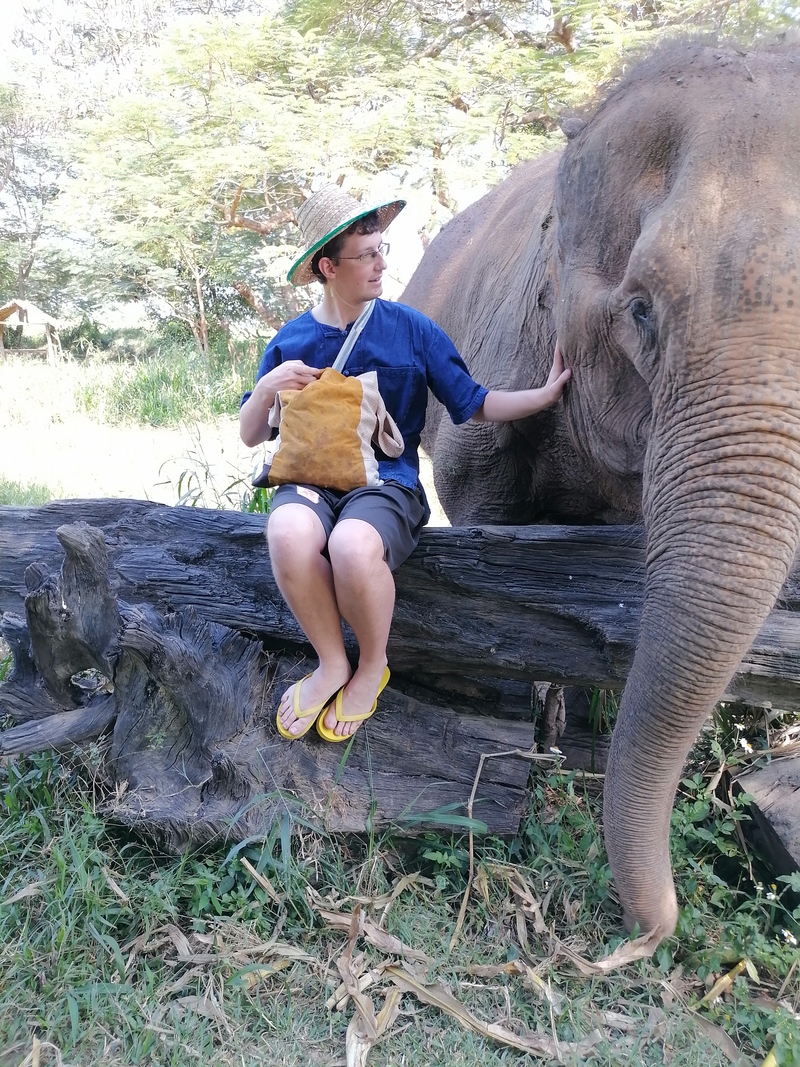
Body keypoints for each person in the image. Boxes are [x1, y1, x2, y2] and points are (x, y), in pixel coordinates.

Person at [240, 184, 570, 743]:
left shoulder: (411, 329)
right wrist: (268, 386)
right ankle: (331, 664)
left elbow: (475, 402)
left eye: (381, 249)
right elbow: (252, 436)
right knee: (287, 531)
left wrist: (542, 395)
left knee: (351, 545)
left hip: (385, 484)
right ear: (328, 266)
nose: (380, 264)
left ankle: (372, 664)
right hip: (311, 481)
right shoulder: (291, 340)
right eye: (365, 254)